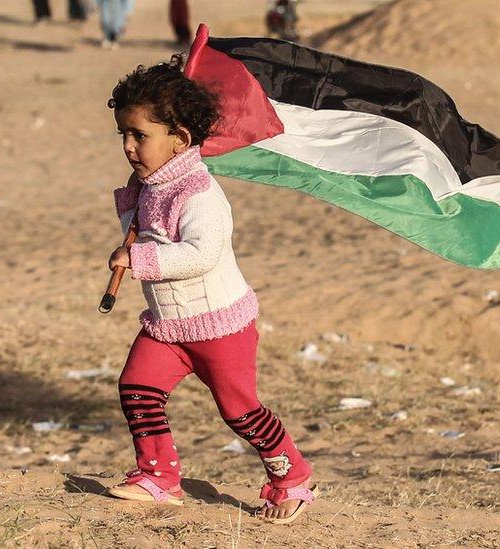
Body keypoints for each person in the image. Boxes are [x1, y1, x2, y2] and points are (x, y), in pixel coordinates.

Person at [105, 55, 317, 524]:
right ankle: (159, 477)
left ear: (180, 139)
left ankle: (292, 476)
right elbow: (144, 230)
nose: (128, 146)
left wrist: (135, 260)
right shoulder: (151, 186)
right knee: (138, 387)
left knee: (240, 411)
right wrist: (130, 203)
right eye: (124, 133)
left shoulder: (200, 193)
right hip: (167, 328)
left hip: (219, 327)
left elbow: (200, 253)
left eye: (140, 135)